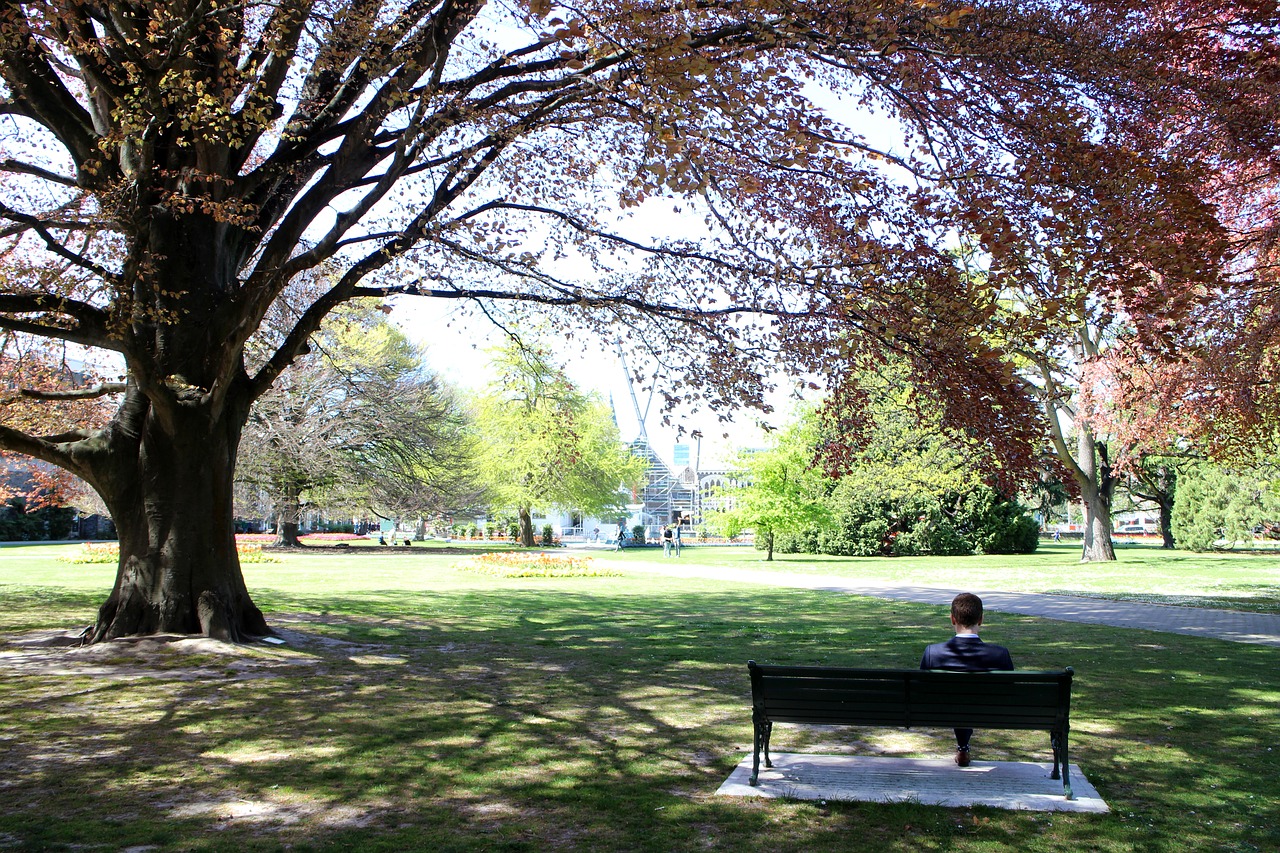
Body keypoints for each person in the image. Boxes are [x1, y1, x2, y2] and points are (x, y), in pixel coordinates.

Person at [920, 592, 1014, 767]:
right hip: (990, 712)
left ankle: (963, 748)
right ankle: (963, 747)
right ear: (981, 620)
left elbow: (922, 691)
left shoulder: (933, 653)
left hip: (941, 710)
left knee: (958, 701)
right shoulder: (1000, 654)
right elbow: (1010, 692)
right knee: (966, 701)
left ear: (952, 619)